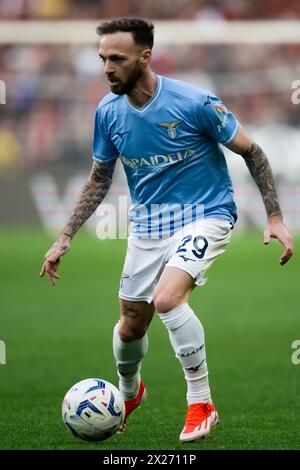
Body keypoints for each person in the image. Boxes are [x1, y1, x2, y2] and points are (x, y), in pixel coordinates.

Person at [40, 17, 294, 442]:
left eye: (116, 59)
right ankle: (128, 393)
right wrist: (65, 236)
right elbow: (100, 177)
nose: (106, 67)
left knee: (168, 300)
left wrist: (273, 216)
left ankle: (201, 403)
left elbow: (253, 152)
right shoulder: (107, 111)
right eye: (102, 58)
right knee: (129, 326)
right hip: (147, 226)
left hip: (207, 214)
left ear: (144, 57)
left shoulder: (195, 102)